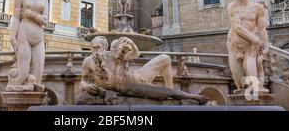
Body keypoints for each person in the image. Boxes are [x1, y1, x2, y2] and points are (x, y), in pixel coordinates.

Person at [78, 36, 208, 104]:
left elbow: (135, 55)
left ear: (104, 47)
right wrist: (86, 85)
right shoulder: (87, 61)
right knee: (164, 92)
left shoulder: (112, 54)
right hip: (129, 86)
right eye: (93, 48)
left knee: (165, 61)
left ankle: (193, 97)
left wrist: (131, 44)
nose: (96, 50)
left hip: (134, 81)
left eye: (98, 47)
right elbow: (82, 81)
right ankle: (193, 97)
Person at [7, 0, 49, 90]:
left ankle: (32, 95)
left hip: (39, 37)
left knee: (39, 73)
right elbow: (16, 18)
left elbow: (45, 21)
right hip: (24, 34)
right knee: (23, 71)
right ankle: (14, 86)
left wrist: (31, 15)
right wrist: (12, 36)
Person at [227, 0, 269, 91]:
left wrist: (266, 46)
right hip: (234, 45)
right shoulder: (232, 7)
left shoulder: (258, 8)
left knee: (251, 80)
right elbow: (237, 27)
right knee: (239, 83)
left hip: (249, 46)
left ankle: (255, 101)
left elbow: (262, 29)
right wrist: (255, 39)